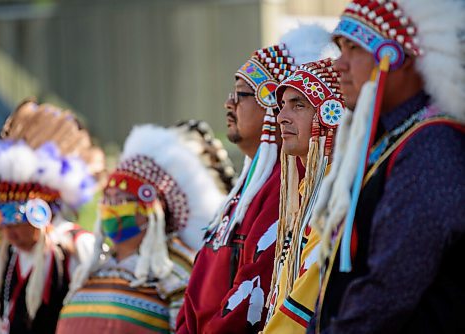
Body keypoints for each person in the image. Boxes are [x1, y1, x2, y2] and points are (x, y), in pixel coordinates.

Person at [307, 0, 465, 333]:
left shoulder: (432, 145)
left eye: (354, 48)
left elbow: (389, 288)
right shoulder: (393, 140)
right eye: (339, 47)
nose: (339, 64)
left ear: (398, 57)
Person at [177, 25, 333, 333]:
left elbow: (255, 290)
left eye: (241, 94)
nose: (228, 103)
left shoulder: (284, 189)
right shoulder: (247, 188)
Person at [56, 121, 234, 333]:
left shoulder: (174, 276)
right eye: (108, 199)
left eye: (122, 201)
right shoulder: (91, 270)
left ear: (151, 213)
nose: (111, 208)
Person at [0, 99, 104, 334]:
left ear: (41, 212)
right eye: (1, 222)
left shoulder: (79, 247)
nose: (10, 233)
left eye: (18, 220)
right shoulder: (8, 259)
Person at [263, 58, 344, 334]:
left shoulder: (338, 197)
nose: (281, 117)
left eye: (298, 105)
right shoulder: (309, 192)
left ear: (332, 115)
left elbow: (308, 299)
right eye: (281, 106)